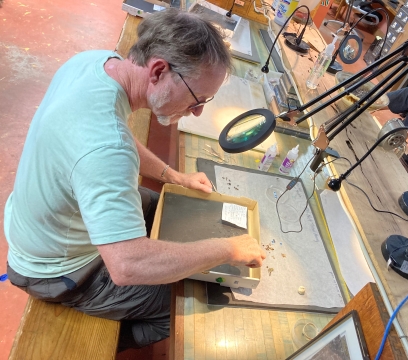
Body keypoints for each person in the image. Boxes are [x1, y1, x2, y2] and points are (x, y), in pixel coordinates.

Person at [4, 8, 266, 350]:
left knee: (173, 211)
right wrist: (227, 248)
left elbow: (117, 140)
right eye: (197, 99)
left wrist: (175, 177)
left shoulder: (96, 63)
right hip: (55, 270)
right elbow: (127, 266)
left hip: (47, 220)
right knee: (184, 306)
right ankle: (96, 346)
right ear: (158, 70)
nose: (198, 111)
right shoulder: (106, 151)